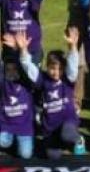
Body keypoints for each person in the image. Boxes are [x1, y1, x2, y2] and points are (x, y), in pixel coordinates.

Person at [13, 28, 83, 157]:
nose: (56, 72)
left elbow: (73, 66)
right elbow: (29, 68)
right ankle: (59, 142)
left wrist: (73, 47)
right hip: (50, 126)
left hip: (67, 121)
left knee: (67, 135)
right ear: (47, 67)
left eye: (60, 69)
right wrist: (23, 51)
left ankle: (78, 140)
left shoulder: (67, 79)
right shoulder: (43, 79)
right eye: (52, 68)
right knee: (53, 156)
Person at [0, 40, 37, 159]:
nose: (11, 72)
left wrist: (22, 49)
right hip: (7, 125)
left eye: (14, 69)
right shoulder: (3, 82)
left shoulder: (26, 82)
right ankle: (11, 140)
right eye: (8, 70)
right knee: (3, 142)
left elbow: (27, 66)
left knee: (25, 155)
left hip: (24, 127)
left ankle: (22, 140)